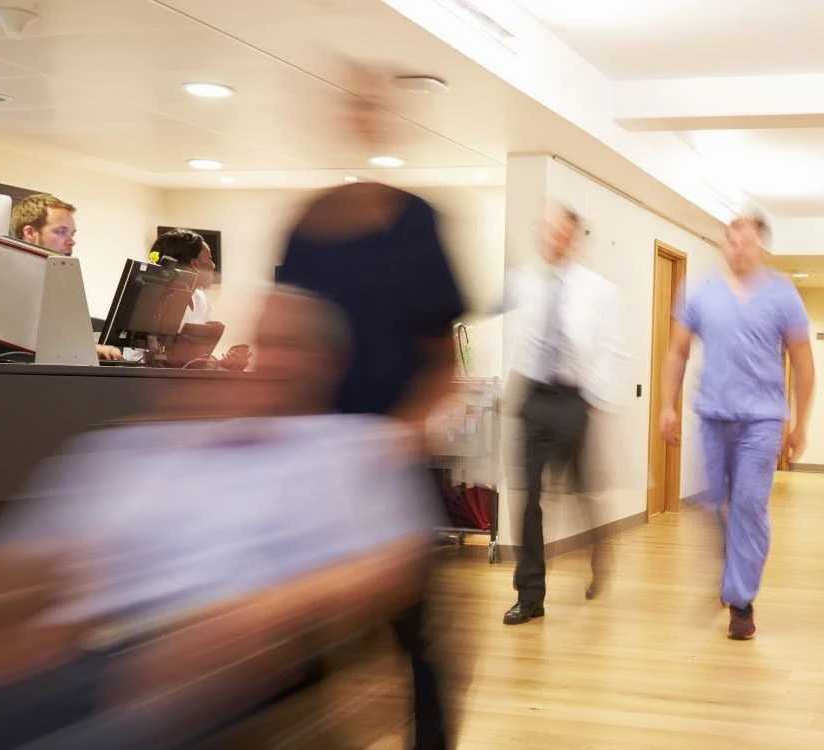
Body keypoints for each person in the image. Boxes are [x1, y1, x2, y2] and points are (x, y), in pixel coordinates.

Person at [0, 288, 438, 750]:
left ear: (330, 362)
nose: (270, 363)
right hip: (72, 649)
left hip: (197, 670)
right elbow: (24, 555)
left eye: (291, 346)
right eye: (263, 343)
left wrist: (260, 616)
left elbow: (391, 566)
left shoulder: (346, 451)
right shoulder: (127, 449)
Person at [274, 65, 466, 750]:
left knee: (414, 632)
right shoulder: (304, 225)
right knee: (295, 639)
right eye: (348, 102)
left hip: (388, 463)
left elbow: (445, 364)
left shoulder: (417, 223)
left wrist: (404, 434)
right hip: (310, 464)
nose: (358, 114)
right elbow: (284, 341)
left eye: (370, 102)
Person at [658, 214, 815, 640]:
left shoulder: (782, 295)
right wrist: (666, 406)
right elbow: (677, 353)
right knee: (711, 503)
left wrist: (801, 422)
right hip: (712, 417)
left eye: (744, 241)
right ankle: (733, 568)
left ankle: (742, 601)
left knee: (747, 504)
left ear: (760, 244)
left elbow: (803, 362)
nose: (736, 248)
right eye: (730, 240)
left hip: (762, 420)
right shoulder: (700, 291)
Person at [502, 204, 624, 626]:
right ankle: (530, 595)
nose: (550, 237)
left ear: (572, 238)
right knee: (530, 498)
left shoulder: (599, 290)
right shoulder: (522, 281)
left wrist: (591, 398)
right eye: (545, 229)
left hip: (573, 399)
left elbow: (611, 348)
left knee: (580, 490)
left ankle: (599, 546)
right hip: (533, 397)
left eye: (559, 231)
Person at [0, 193, 123, 362]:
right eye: (61, 232)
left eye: (72, 233)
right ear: (30, 232)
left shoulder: (57, 284)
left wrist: (89, 347)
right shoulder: (2, 277)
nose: (71, 241)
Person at [145, 229, 250, 370]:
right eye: (210, 258)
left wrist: (222, 363)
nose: (213, 265)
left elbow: (195, 361)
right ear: (195, 264)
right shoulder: (156, 301)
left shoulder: (200, 299)